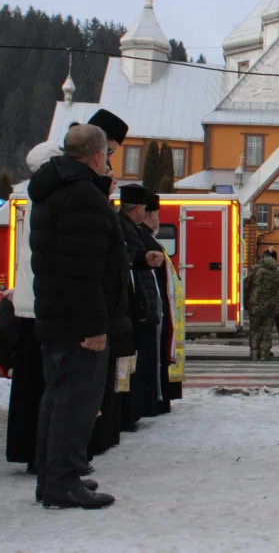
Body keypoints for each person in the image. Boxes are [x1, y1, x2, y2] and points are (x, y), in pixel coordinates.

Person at [30, 124, 124, 509]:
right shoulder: (81, 197)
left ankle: (54, 476)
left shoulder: (54, 190)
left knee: (57, 399)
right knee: (75, 404)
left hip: (56, 316)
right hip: (76, 322)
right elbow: (83, 270)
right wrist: (93, 328)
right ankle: (63, 481)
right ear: (98, 156)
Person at [116, 184, 164, 432]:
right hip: (135, 311)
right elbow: (129, 266)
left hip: (139, 308)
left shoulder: (131, 230)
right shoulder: (127, 230)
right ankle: (130, 411)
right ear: (137, 208)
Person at [139, 193, 180, 411]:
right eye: (157, 214)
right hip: (152, 311)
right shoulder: (145, 240)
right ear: (150, 214)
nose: (159, 219)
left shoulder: (148, 239)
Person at [249, 251, 279, 359]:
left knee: (254, 330)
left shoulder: (257, 270)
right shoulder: (278, 271)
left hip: (256, 306)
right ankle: (264, 354)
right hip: (271, 306)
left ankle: (254, 352)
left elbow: (248, 284)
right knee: (267, 331)